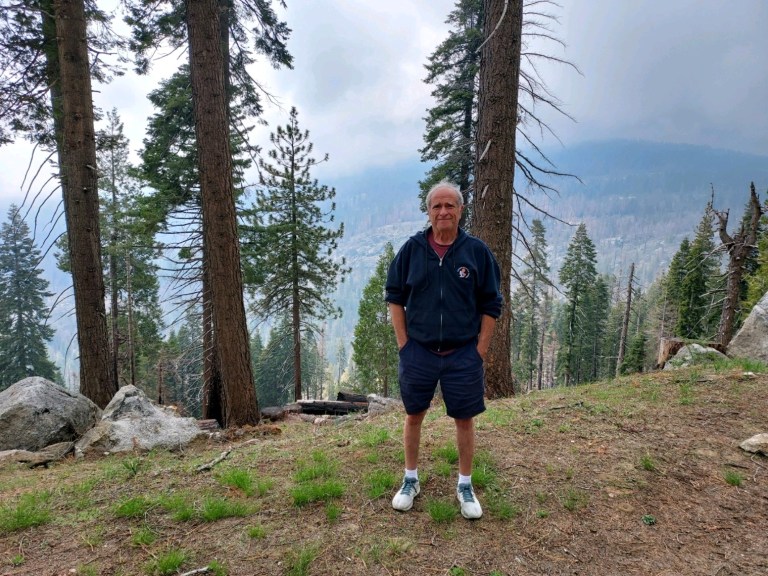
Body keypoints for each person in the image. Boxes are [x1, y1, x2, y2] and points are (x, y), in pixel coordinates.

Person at [385, 181, 503, 519]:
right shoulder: (411, 250)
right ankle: (410, 480)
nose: (443, 212)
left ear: (461, 210)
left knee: (464, 419)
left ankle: (465, 485)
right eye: (437, 206)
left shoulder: (476, 252)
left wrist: (479, 350)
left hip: (462, 354)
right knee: (413, 415)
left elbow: (491, 304)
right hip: (418, 352)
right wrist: (404, 345)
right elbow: (394, 296)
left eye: (450, 205)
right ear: (428, 211)